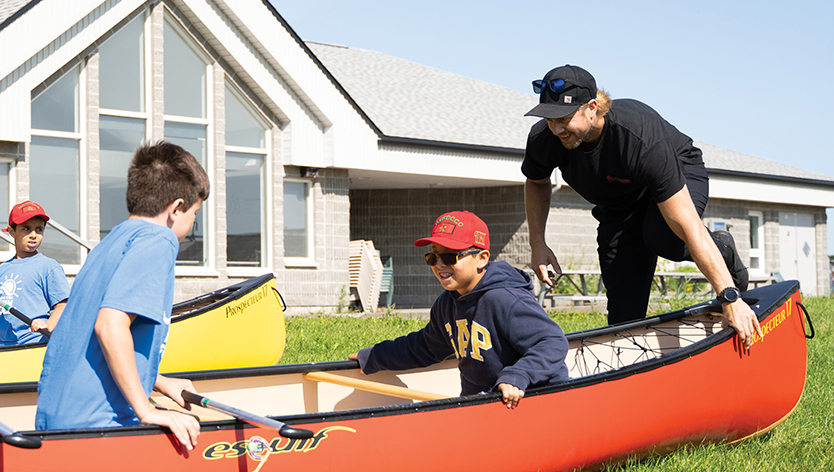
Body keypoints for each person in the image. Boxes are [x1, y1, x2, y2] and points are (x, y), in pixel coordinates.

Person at [522, 64, 762, 348]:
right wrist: (537, 243)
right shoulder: (545, 139)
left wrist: (729, 297)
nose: (557, 128)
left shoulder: (637, 137)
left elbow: (687, 224)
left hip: (678, 174)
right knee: (624, 319)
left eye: (564, 117)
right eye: (550, 118)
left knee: (665, 238)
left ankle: (721, 246)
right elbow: (536, 181)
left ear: (592, 107)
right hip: (619, 206)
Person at [35, 141, 210, 451]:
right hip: (100, 426)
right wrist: (147, 410)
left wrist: (159, 382)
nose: (193, 222)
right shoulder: (159, 240)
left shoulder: (111, 241)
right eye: (195, 212)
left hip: (58, 419)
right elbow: (110, 326)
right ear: (176, 208)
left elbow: (85, 330)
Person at [349, 211, 569, 409]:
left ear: (481, 258)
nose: (440, 264)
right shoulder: (446, 304)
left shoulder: (505, 299)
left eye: (449, 256)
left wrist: (517, 375)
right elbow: (425, 347)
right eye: (433, 257)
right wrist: (374, 356)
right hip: (481, 406)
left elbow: (552, 342)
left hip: (530, 400)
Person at [0, 201, 70, 345]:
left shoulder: (48, 266)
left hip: (35, 343)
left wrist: (48, 325)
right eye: (26, 228)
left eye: (39, 229)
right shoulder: (3, 269)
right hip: (5, 348)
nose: (33, 235)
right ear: (12, 232)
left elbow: (64, 305)